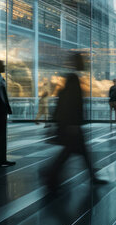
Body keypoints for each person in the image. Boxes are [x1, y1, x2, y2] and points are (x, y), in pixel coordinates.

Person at [45, 55, 106, 189]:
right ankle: (50, 174)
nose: (84, 64)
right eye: (82, 61)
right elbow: (71, 103)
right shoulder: (73, 79)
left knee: (77, 152)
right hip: (72, 125)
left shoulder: (72, 78)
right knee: (72, 152)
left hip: (71, 124)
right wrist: (73, 124)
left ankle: (52, 174)